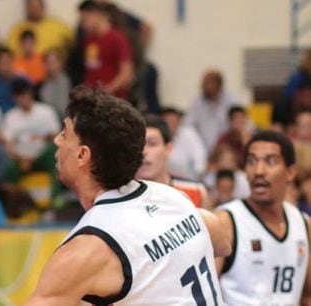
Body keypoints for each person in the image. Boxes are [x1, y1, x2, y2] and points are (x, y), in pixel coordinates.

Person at [25, 86, 229, 305]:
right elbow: (223, 242)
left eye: (64, 133)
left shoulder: (88, 249)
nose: (56, 140)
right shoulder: (173, 197)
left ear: (83, 155)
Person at [215, 131, 311, 305]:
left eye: (270, 161)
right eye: (251, 161)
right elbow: (201, 294)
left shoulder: (304, 224)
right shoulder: (225, 222)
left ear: (290, 172)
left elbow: (307, 297)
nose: (258, 171)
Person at [136, 115, 210, 208]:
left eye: (152, 144)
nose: (144, 151)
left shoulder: (195, 191)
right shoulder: (117, 193)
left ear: (168, 149)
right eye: (138, 145)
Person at [80, 1, 133, 100]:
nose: (84, 25)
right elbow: (91, 68)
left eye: (85, 19)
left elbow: (126, 73)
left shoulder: (117, 38)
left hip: (113, 100)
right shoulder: (89, 39)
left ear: (97, 15)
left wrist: (107, 90)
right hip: (92, 98)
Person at [5, 0, 72, 61]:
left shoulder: (58, 26)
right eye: (31, 7)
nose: (34, 10)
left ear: (43, 7)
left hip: (53, 68)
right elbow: (8, 52)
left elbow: (73, 43)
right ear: (26, 8)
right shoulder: (18, 29)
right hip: (26, 70)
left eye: (37, 6)